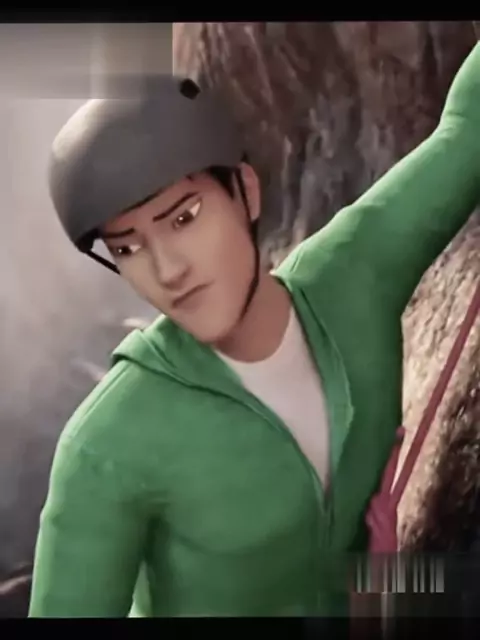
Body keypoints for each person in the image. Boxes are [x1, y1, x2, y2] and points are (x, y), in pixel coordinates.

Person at [29, 43, 480, 619]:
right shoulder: (107, 446)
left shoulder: (352, 277)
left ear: (245, 190)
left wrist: (388, 583)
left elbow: (465, 135)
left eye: (184, 217)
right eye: (128, 248)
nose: (168, 270)